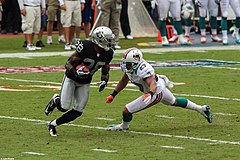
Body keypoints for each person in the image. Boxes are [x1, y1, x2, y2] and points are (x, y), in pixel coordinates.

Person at [105, 48, 212, 131]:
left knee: (126, 110)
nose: (125, 65)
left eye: (128, 64)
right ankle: (202, 109)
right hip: (159, 86)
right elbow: (124, 79)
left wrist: (150, 94)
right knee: (174, 101)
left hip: (156, 91)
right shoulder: (132, 68)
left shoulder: (143, 69)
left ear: (135, 62)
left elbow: (152, 83)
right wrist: (113, 94)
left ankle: (124, 126)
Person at [44, 26, 115, 136]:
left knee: (78, 110)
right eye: (108, 39)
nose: (110, 42)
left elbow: (105, 68)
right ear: (100, 39)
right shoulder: (86, 47)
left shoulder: (108, 53)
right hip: (71, 79)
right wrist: (75, 72)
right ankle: (55, 100)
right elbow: (68, 63)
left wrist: (104, 80)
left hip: (85, 82)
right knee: (64, 107)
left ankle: (53, 124)